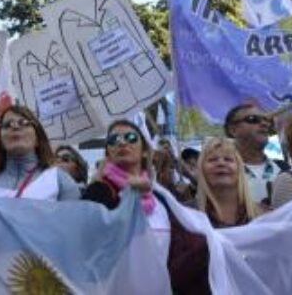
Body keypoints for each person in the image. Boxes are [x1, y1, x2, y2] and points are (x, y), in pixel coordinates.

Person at [81, 120, 208, 295]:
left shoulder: (161, 197)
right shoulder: (98, 192)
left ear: (145, 151)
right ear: (108, 153)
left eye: (131, 137)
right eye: (113, 140)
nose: (122, 142)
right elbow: (90, 244)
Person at [0, 105, 80, 206]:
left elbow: (71, 228)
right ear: (0, 140)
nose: (15, 127)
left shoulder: (60, 180)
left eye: (24, 123)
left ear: (38, 138)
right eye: (7, 125)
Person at [222, 103, 288, 207]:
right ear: (233, 130)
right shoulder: (221, 173)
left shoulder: (286, 168)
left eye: (267, 121)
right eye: (253, 119)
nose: (264, 124)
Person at [192, 137, 259, 228]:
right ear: (202, 169)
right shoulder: (184, 216)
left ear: (239, 169)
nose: (221, 163)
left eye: (228, 159)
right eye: (212, 159)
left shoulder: (265, 216)